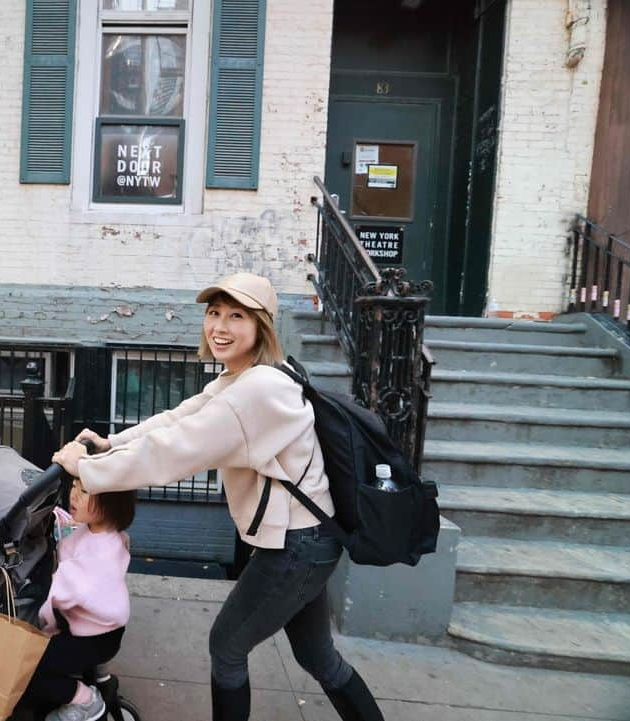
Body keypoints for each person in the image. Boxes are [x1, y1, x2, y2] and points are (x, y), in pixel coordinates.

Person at [52, 273, 384, 721]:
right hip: (307, 541)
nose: (220, 326)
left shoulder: (258, 390)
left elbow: (177, 450)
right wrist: (114, 444)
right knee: (317, 657)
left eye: (236, 316)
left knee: (226, 646)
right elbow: (177, 419)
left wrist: (87, 469)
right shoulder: (245, 380)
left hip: (296, 546)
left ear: (261, 326)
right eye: (214, 313)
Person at [21, 477, 135, 721]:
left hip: (95, 637)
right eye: (74, 486)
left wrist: (42, 625)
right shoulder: (98, 531)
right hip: (98, 627)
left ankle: (86, 702)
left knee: (29, 665)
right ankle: (98, 677)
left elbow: (60, 595)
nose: (73, 495)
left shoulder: (100, 554)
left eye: (84, 492)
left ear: (110, 503)